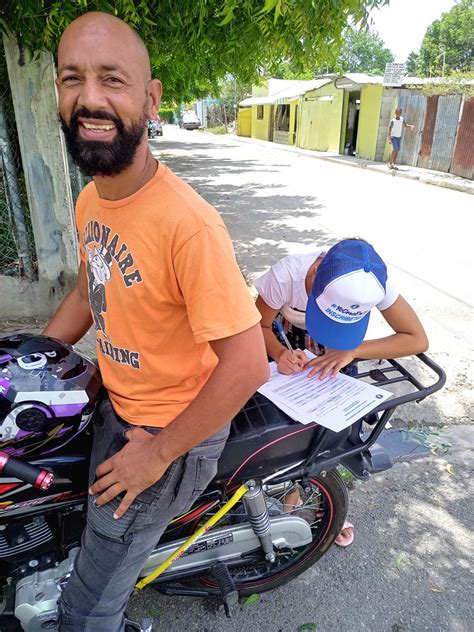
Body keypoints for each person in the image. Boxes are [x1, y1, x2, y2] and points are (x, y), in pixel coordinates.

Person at [43, 12, 269, 631]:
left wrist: (158, 454)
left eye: (112, 80)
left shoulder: (187, 225)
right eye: (73, 79)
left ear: (150, 97)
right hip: (115, 394)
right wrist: (27, 361)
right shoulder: (92, 197)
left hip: (171, 427)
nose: (89, 98)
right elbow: (91, 293)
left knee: (85, 611)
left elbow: (247, 363)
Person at [254, 238, 429, 545]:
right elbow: (258, 325)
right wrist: (280, 353)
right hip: (287, 353)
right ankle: (291, 495)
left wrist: (354, 350)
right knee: (287, 432)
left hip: (337, 356)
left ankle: (326, 498)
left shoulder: (374, 283)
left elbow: (416, 338)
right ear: (317, 269)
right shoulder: (287, 276)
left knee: (329, 436)